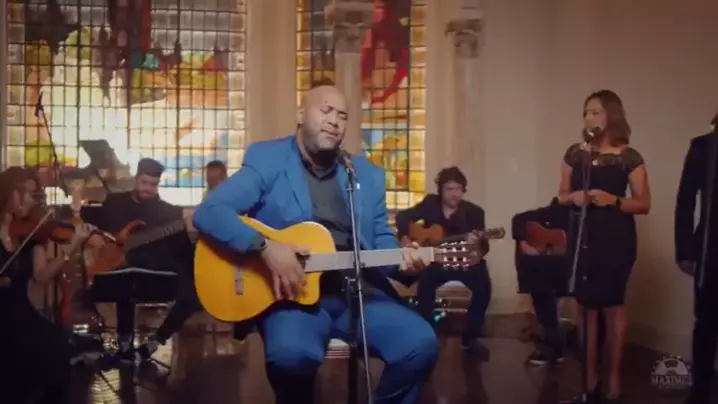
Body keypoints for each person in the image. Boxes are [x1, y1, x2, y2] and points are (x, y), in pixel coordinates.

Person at [193, 85, 439, 404]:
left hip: (358, 295)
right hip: (293, 296)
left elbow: (380, 241)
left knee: (420, 344)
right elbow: (210, 212)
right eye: (325, 110)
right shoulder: (268, 160)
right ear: (300, 114)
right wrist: (264, 247)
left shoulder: (366, 175)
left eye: (342, 115)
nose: (334, 120)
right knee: (290, 358)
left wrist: (406, 264)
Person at [556, 90, 651, 403]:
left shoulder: (629, 157)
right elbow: (561, 195)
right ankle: (590, 378)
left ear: (612, 115)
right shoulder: (575, 154)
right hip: (583, 237)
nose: (589, 118)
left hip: (616, 238)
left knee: (612, 304)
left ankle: (613, 376)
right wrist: (574, 197)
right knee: (586, 307)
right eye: (586, 112)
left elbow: (643, 203)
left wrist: (614, 200)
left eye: (595, 112)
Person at [86, 158, 201, 360]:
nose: (148, 189)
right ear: (136, 178)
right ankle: (123, 342)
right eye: (144, 182)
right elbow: (87, 220)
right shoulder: (114, 202)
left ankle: (156, 340)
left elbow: (183, 253)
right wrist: (93, 235)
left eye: (153, 184)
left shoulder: (168, 212)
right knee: (124, 279)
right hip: (114, 271)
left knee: (193, 295)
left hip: (155, 275)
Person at [0, 167, 96, 403]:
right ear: (8, 191)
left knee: (59, 349)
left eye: (34, 194)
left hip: (20, 313)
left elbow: (41, 276)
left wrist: (74, 243)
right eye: (24, 192)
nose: (30, 200)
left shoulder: (29, 233)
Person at [395, 166, 492, 359]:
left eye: (458, 189)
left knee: (484, 287)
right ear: (441, 190)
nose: (454, 194)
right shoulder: (430, 204)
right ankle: (428, 336)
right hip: (436, 261)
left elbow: (484, 248)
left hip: (464, 262)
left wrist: (477, 246)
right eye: (449, 189)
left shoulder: (474, 212)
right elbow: (403, 217)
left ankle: (470, 338)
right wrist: (405, 238)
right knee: (425, 287)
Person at [674, 113, 718, 404]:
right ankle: (700, 391)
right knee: (706, 323)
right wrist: (685, 251)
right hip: (710, 249)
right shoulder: (704, 148)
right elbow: (686, 202)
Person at [511, 199, 571, 366]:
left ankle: (556, 343)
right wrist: (524, 243)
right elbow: (519, 219)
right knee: (538, 273)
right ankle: (553, 344)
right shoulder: (558, 209)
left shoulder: (596, 213)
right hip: (557, 267)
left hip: (584, 266)